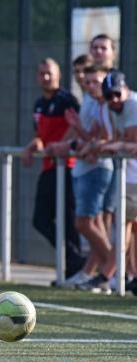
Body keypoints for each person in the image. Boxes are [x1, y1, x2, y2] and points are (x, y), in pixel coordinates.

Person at [47, 65, 114, 288]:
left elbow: (103, 140)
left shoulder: (108, 105)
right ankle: (106, 272)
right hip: (88, 168)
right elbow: (91, 138)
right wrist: (77, 134)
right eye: (89, 82)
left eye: (97, 82)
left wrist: (83, 143)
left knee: (86, 223)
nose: (92, 86)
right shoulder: (95, 105)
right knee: (91, 223)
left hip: (100, 169)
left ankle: (112, 271)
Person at [21, 58, 85, 281]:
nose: (45, 77)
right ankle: (74, 259)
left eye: (49, 73)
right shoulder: (39, 104)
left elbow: (78, 128)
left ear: (58, 75)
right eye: (41, 73)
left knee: (68, 220)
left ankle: (74, 268)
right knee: (41, 219)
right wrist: (32, 146)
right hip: (49, 167)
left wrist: (60, 146)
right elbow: (41, 135)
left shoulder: (67, 100)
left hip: (67, 167)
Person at [74, 70, 137, 295]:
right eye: (109, 96)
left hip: (133, 178)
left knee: (124, 225)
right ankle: (127, 276)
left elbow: (131, 144)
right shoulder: (112, 108)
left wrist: (114, 146)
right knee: (129, 226)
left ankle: (105, 276)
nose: (114, 100)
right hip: (128, 176)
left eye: (117, 94)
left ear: (125, 89)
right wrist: (100, 145)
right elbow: (117, 140)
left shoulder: (132, 106)